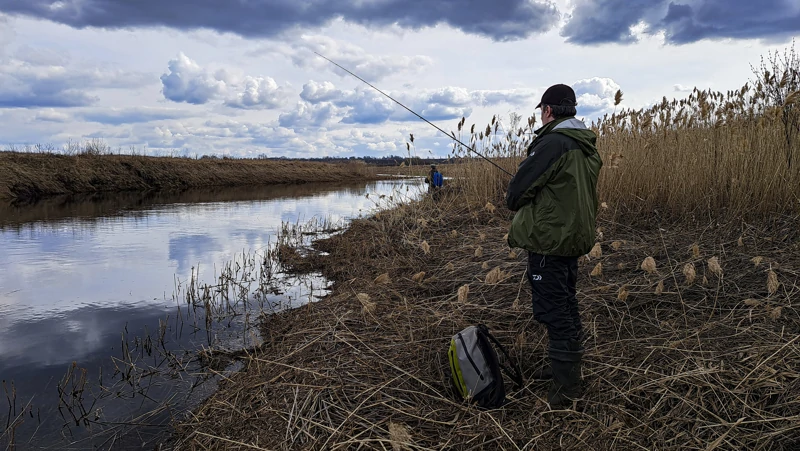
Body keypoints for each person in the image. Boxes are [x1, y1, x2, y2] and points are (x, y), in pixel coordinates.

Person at [505, 84, 603, 408]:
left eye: (541, 111)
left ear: (547, 111)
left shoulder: (554, 143)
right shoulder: (584, 144)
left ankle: (565, 391)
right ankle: (568, 375)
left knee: (554, 311)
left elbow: (515, 194)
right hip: (570, 238)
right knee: (566, 304)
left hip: (550, 242)